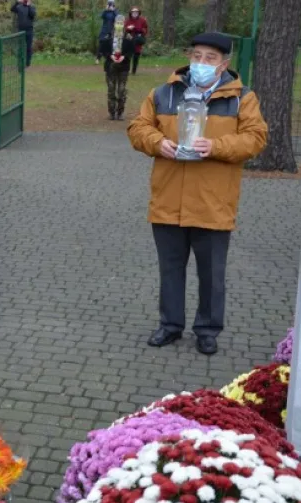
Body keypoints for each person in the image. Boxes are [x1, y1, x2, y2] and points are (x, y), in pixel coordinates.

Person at [126, 32, 267, 355]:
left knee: (212, 273)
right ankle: (170, 325)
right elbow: (138, 128)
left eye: (210, 58)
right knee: (170, 269)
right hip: (168, 200)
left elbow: (256, 138)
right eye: (197, 55)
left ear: (224, 65)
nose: (201, 63)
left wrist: (216, 146)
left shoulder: (241, 98)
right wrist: (156, 142)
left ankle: (207, 329)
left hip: (213, 202)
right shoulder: (164, 93)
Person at [100, 32, 135, 120]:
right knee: (111, 89)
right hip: (110, 67)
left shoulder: (128, 39)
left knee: (121, 90)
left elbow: (132, 50)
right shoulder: (108, 39)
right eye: (117, 24)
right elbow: (103, 50)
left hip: (123, 68)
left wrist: (124, 57)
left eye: (121, 24)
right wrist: (110, 56)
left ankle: (120, 113)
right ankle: (112, 112)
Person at [11, 0, 36, 67]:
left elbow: (32, 15)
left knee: (28, 48)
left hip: (29, 30)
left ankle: (27, 63)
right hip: (20, 30)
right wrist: (17, 2)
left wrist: (29, 6)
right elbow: (12, 9)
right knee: (20, 47)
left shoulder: (32, 7)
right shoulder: (19, 7)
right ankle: (19, 63)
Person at [125, 6, 148, 74]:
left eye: (136, 12)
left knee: (136, 55)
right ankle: (127, 69)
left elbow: (145, 29)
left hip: (138, 39)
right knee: (128, 55)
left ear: (138, 13)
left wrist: (139, 29)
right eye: (133, 12)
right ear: (131, 13)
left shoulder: (142, 20)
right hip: (130, 39)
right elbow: (125, 30)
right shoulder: (128, 20)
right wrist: (128, 29)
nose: (135, 13)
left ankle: (134, 71)